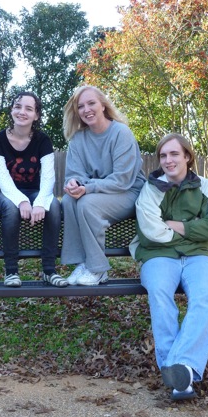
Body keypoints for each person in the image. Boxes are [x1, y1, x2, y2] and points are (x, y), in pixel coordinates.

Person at [129, 133, 208, 401]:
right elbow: (151, 233)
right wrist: (193, 230)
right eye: (163, 155)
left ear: (187, 157)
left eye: (174, 154)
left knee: (203, 297)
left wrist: (176, 225)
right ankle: (181, 373)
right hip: (158, 256)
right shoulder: (151, 189)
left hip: (198, 257)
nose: (168, 160)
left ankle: (179, 368)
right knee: (160, 294)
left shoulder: (205, 188)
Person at [61, 85, 146, 286]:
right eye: (81, 106)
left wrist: (87, 187)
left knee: (87, 204)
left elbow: (122, 180)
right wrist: (73, 184)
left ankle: (98, 269)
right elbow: (74, 174)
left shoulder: (121, 133)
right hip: (99, 193)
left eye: (91, 103)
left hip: (128, 192)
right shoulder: (77, 139)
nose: (86, 110)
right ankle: (83, 263)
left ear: (103, 105)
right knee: (68, 200)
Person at [0, 91, 67, 287]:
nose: (22, 112)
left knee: (54, 206)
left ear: (36, 115)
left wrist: (40, 203)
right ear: (11, 110)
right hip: (4, 194)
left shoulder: (43, 140)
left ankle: (49, 270)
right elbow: (2, 178)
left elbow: (48, 177)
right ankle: (11, 271)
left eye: (28, 108)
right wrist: (22, 201)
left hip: (35, 192)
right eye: (17, 106)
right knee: (11, 208)